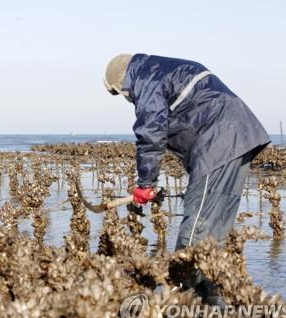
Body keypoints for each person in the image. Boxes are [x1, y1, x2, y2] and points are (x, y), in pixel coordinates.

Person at [104, 54, 270, 302]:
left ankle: (182, 304)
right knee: (215, 234)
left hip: (218, 143)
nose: (128, 99)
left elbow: (151, 134)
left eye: (122, 94)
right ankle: (211, 310)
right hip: (240, 137)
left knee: (195, 231)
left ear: (123, 83)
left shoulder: (145, 78)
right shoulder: (160, 69)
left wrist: (145, 185)